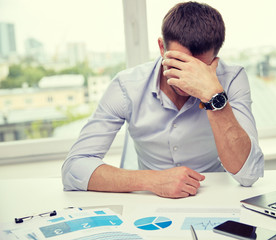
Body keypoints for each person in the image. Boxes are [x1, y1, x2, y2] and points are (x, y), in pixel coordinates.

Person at [62, 1, 264, 199]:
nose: (187, 78)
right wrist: (151, 180)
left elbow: (249, 174)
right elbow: (74, 168)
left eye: (198, 68)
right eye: (179, 63)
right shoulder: (127, 86)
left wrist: (213, 96)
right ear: (161, 47)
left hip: (214, 197)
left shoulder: (232, 78)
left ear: (215, 59)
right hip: (149, 201)